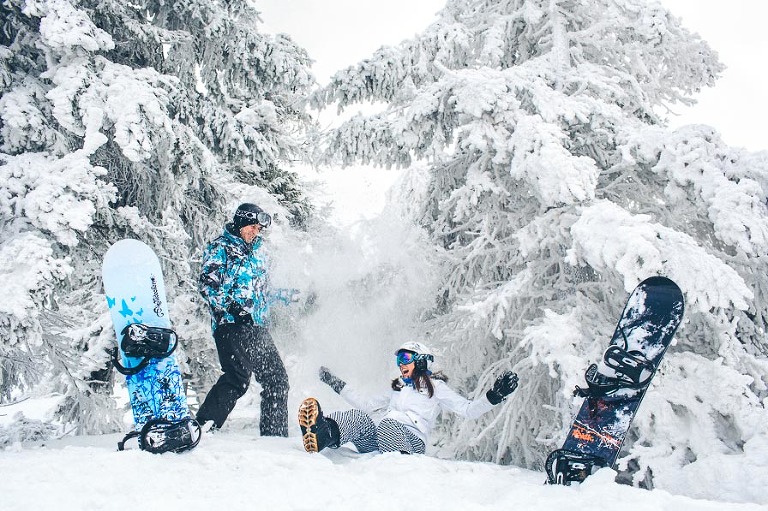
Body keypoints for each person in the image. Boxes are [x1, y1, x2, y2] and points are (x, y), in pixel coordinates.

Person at [298, 341, 519, 454]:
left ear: (421, 361)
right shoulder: (398, 387)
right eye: (398, 360)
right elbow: (365, 404)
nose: (401, 364)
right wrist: (333, 382)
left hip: (410, 442)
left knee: (388, 424)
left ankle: (398, 464)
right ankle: (321, 434)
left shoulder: (436, 387)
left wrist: (494, 396)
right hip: (382, 439)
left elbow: (468, 410)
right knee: (359, 417)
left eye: (405, 358)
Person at [196, 203, 298, 436]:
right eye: (252, 227)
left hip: (256, 326)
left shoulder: (259, 254)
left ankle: (274, 437)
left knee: (277, 379)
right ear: (240, 223)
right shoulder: (221, 248)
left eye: (259, 229)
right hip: (230, 325)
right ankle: (202, 427)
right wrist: (231, 307)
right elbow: (208, 286)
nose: (256, 232)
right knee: (237, 377)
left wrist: (289, 296)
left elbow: (264, 292)